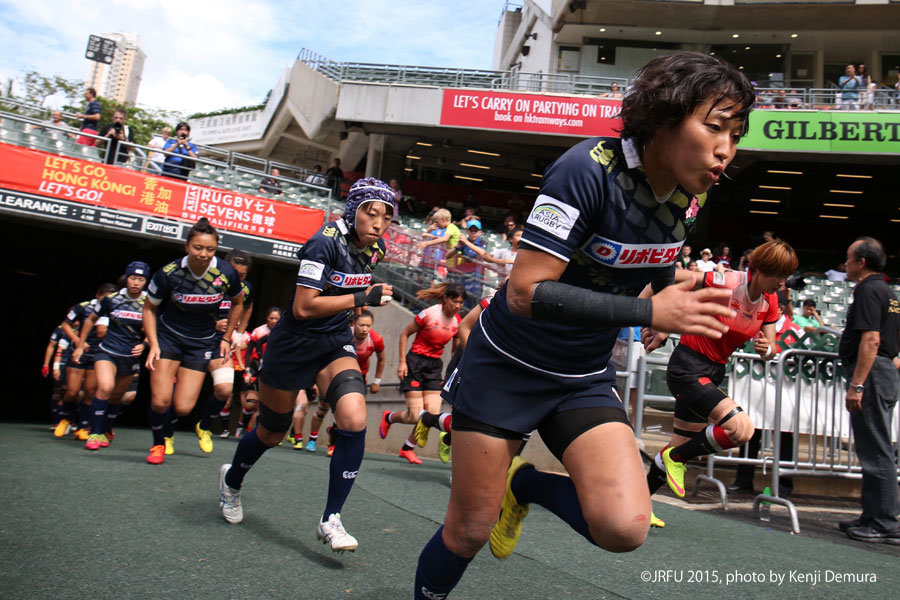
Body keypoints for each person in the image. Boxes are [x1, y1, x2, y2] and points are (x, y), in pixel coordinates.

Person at [412, 51, 754, 599]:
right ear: (664, 118)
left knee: (624, 528)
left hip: (583, 376)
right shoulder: (584, 170)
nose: (726, 149)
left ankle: (524, 485)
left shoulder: (692, 195)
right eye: (715, 127)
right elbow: (525, 292)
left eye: (736, 135)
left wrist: (675, 293)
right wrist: (649, 312)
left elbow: (653, 261)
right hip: (507, 368)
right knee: (469, 530)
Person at [218, 177, 395, 554]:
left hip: (333, 342)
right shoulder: (323, 242)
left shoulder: (376, 249)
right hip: (293, 345)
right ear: (354, 211)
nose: (379, 223)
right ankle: (232, 482)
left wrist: (357, 305)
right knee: (272, 432)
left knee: (354, 417)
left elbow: (347, 296)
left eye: (387, 216)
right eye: (371, 212)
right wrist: (362, 297)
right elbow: (302, 308)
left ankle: (331, 518)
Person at [643, 242, 797, 509]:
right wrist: (650, 317)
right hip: (687, 367)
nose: (783, 284)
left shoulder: (770, 301)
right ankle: (676, 458)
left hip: (713, 371)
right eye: (779, 276)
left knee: (678, 444)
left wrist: (768, 349)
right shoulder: (727, 281)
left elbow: (771, 348)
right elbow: (666, 276)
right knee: (740, 428)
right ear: (760, 270)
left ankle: (637, 508)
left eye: (786, 277)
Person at [143, 218, 244, 465]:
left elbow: (238, 302)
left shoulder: (226, 272)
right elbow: (148, 308)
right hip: (169, 338)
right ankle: (158, 444)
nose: (204, 254)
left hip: (201, 343)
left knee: (183, 408)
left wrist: (226, 337)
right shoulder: (169, 273)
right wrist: (154, 343)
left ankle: (177, 419)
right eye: (198, 248)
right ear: (187, 247)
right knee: (160, 400)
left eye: (210, 249)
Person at [837, 237, 900, 544]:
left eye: (849, 259)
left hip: (872, 374)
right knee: (873, 447)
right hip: (883, 372)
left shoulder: (867, 290)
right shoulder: (887, 291)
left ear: (861, 262)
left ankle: (885, 522)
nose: (845, 264)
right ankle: (872, 515)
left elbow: (871, 340)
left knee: (875, 450)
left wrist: (857, 384)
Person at [380, 283, 464, 464]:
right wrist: (402, 362)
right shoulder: (429, 314)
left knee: (432, 414)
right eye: (454, 301)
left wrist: (453, 375)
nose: (457, 305)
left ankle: (407, 448)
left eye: (461, 302)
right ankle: (389, 417)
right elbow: (405, 334)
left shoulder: (458, 322)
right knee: (414, 415)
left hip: (434, 366)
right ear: (445, 299)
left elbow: (455, 352)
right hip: (415, 362)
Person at [72, 261, 149, 450]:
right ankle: (94, 433)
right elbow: (91, 320)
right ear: (127, 278)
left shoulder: (149, 303)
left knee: (116, 398)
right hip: (107, 351)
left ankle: (106, 428)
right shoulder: (112, 299)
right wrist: (80, 345)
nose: (135, 283)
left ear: (145, 282)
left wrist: (144, 344)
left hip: (130, 356)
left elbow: (153, 329)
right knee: (105, 388)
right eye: (132, 278)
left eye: (140, 279)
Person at [195, 249, 254, 454]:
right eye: (234, 273)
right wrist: (213, 322)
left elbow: (247, 306)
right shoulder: (207, 281)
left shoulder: (245, 289)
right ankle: (165, 435)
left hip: (221, 343)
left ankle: (204, 427)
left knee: (224, 389)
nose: (238, 278)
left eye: (243, 275)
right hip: (194, 340)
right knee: (181, 401)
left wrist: (237, 333)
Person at [55, 283, 117, 440]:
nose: (106, 301)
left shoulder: (116, 309)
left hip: (99, 354)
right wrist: (78, 341)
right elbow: (65, 325)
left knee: (90, 392)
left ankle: (82, 427)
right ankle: (65, 419)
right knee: (73, 391)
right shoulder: (83, 307)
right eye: (104, 298)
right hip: (80, 351)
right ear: (98, 295)